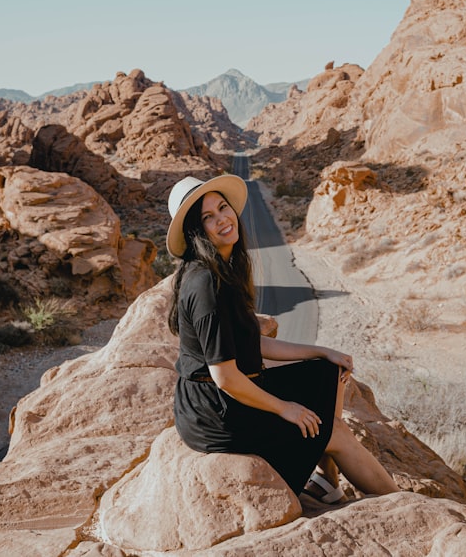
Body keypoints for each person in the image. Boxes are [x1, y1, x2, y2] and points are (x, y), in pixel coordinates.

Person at [166, 174, 399, 503]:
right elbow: (225, 376)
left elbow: (254, 344)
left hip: (225, 395)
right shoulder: (206, 284)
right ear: (195, 232)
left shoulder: (222, 269)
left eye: (223, 208)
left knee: (325, 371)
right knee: (335, 433)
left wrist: (322, 351)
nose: (222, 220)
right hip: (215, 412)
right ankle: (401, 502)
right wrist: (284, 408)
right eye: (208, 218)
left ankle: (326, 482)